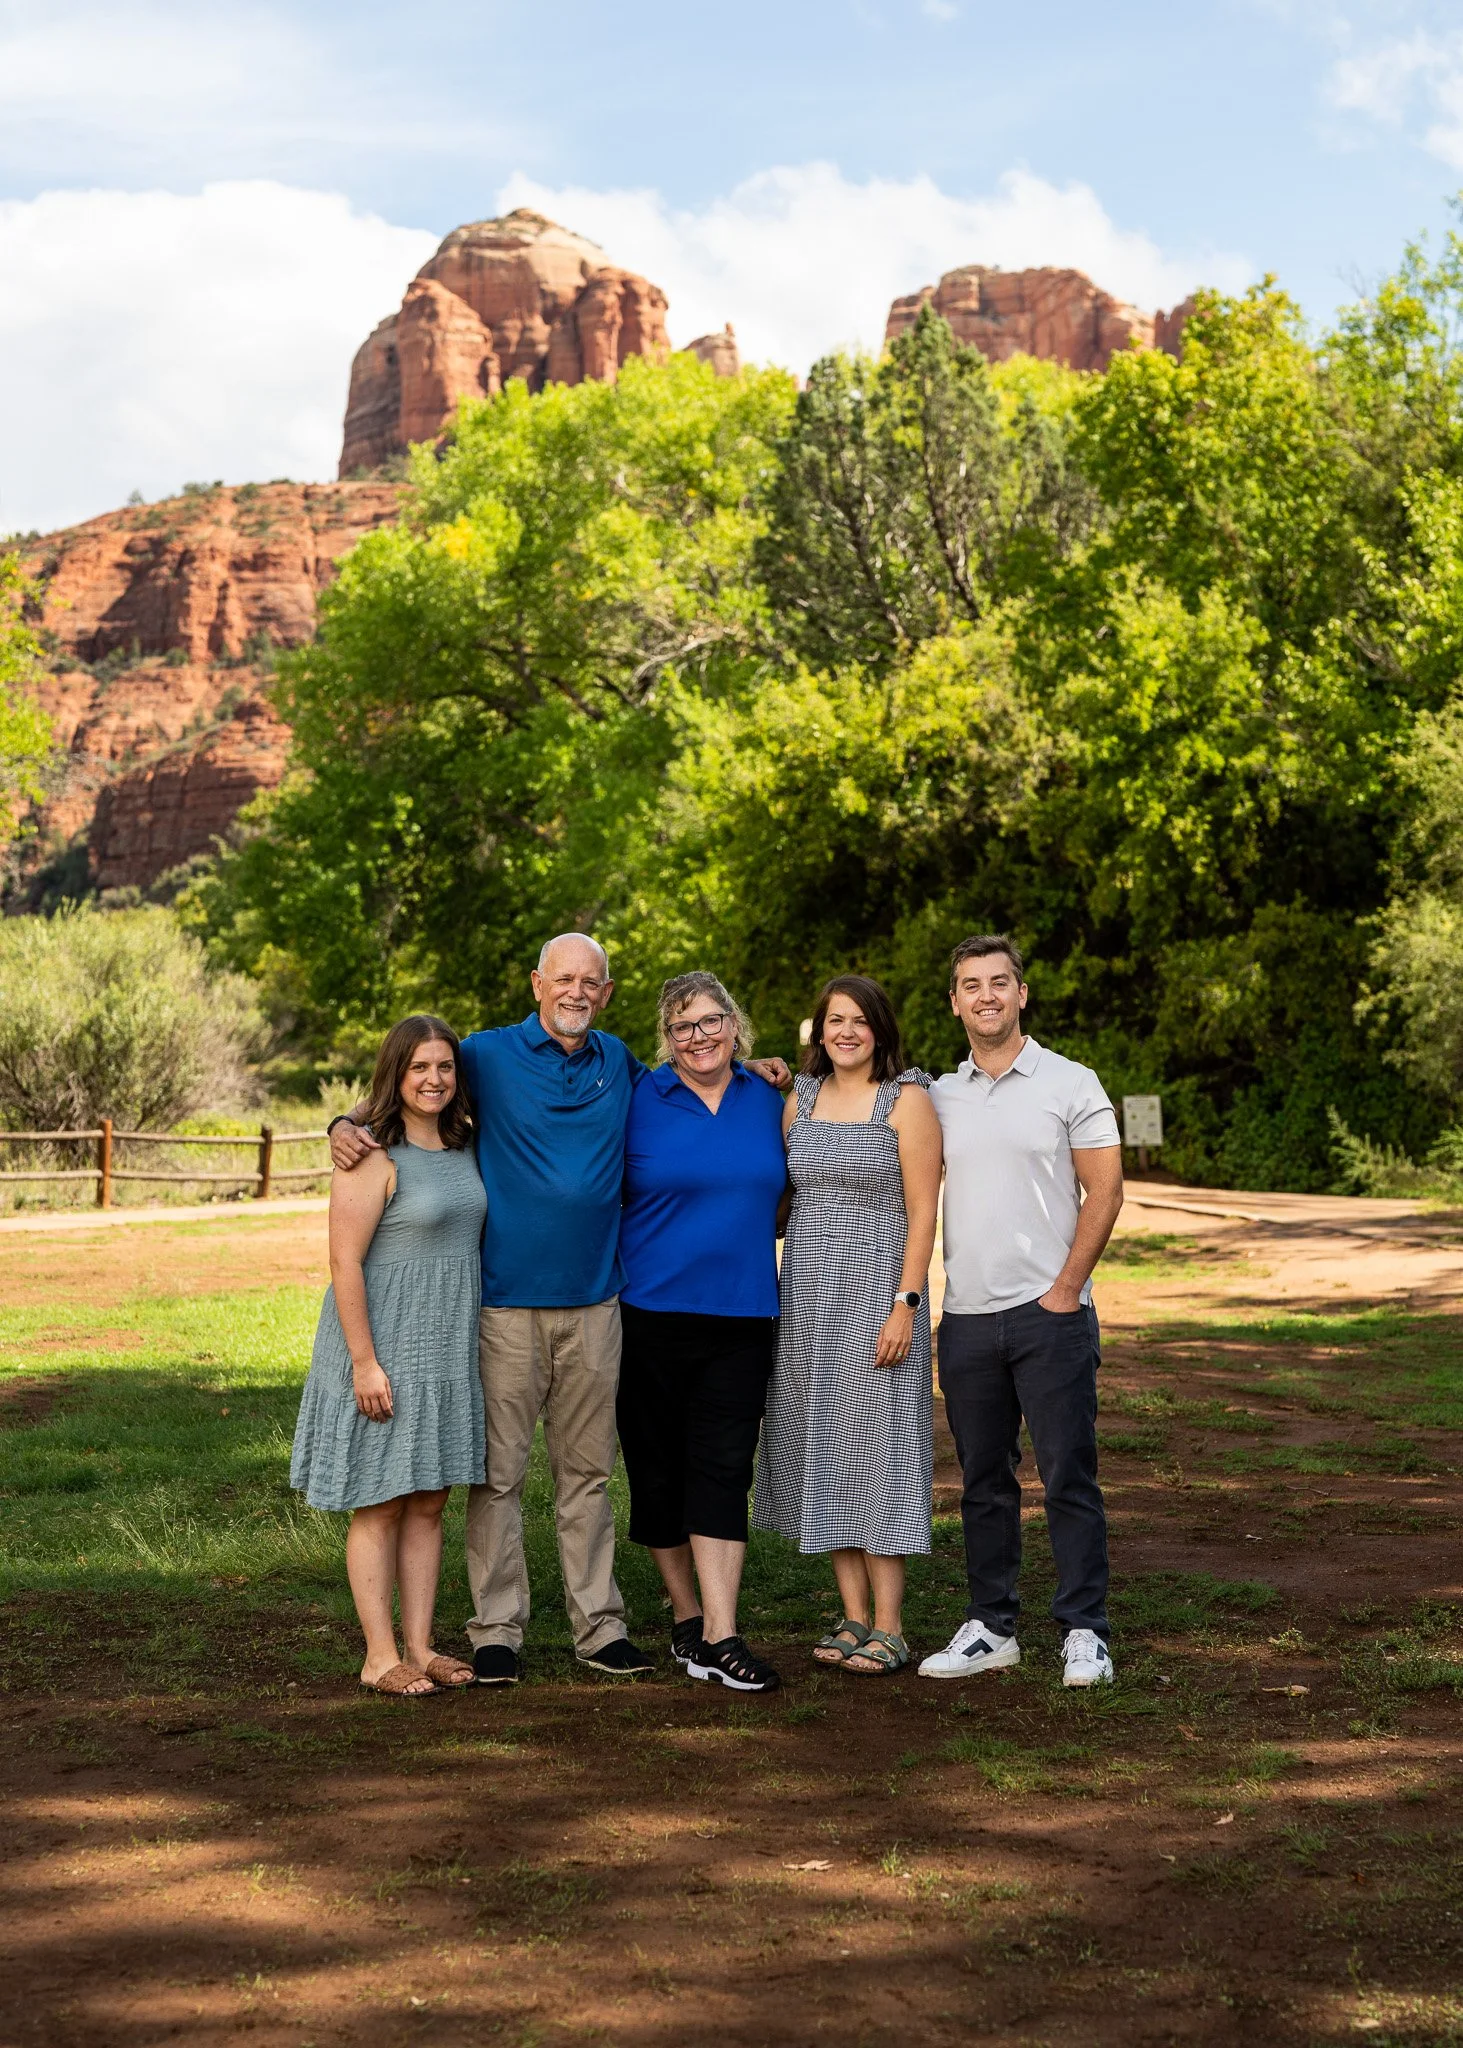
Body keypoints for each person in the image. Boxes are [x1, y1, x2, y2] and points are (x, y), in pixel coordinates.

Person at [329, 934, 790, 1687]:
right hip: (504, 1306)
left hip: (598, 1305)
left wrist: (759, 1068)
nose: (576, 992)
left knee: (587, 1476)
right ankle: (496, 1632)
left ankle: (599, 1626)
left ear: (606, 995)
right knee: (498, 1479)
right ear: (537, 983)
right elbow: (409, 1081)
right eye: (563, 979)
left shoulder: (621, 1065)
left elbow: (701, 1071)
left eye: (591, 982)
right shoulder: (483, 1054)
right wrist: (344, 1126)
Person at [918, 933, 1125, 1690]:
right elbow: (854, 1094)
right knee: (982, 1480)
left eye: (998, 982)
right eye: (969, 985)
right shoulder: (936, 1094)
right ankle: (991, 1626)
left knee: (1068, 1474)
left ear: (1021, 993)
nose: (985, 996)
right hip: (967, 1318)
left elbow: (1105, 1190)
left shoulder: (1071, 1082)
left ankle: (1084, 1630)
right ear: (954, 1002)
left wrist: (1065, 1290)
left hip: (1050, 1314)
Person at [754, 975, 943, 1676]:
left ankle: (890, 1624)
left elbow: (923, 1211)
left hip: (876, 1293)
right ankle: (852, 1615)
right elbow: (777, 1196)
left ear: (879, 1030)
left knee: (880, 1449)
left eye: (859, 1020)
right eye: (834, 1020)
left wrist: (907, 1303)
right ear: (817, 1030)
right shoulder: (795, 1101)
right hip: (806, 1297)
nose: (846, 1032)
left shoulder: (908, 1101)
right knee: (822, 1444)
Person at [292, 1015, 486, 1696]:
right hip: (385, 1347)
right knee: (379, 1501)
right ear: (395, 1076)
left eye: (444, 1067)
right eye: (418, 1069)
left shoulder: (464, 1143)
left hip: (446, 1348)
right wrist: (363, 1362)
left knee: (430, 1499)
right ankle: (378, 1656)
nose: (433, 1080)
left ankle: (422, 1644)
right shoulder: (370, 1155)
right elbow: (344, 1263)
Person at [616, 972, 788, 1693]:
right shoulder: (637, 1099)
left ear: (734, 1023)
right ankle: (685, 1616)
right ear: (667, 1036)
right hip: (647, 1316)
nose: (699, 1037)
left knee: (722, 1468)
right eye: (683, 1027)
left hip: (743, 1316)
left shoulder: (770, 1098)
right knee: (657, 1471)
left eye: (710, 1021)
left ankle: (721, 1631)